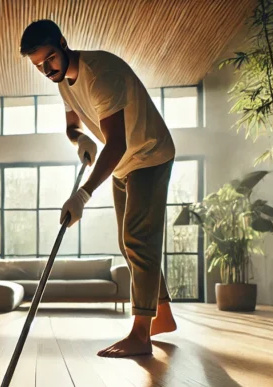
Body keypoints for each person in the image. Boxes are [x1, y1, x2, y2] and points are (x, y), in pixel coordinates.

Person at [20, 19, 178, 358]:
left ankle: (140, 334)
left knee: (138, 239)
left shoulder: (101, 73)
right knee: (128, 242)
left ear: (63, 43)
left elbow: (117, 143)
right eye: (38, 66)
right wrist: (80, 141)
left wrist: (83, 194)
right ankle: (161, 315)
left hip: (148, 153)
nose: (46, 70)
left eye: (49, 59)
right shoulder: (63, 82)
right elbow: (72, 126)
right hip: (123, 163)